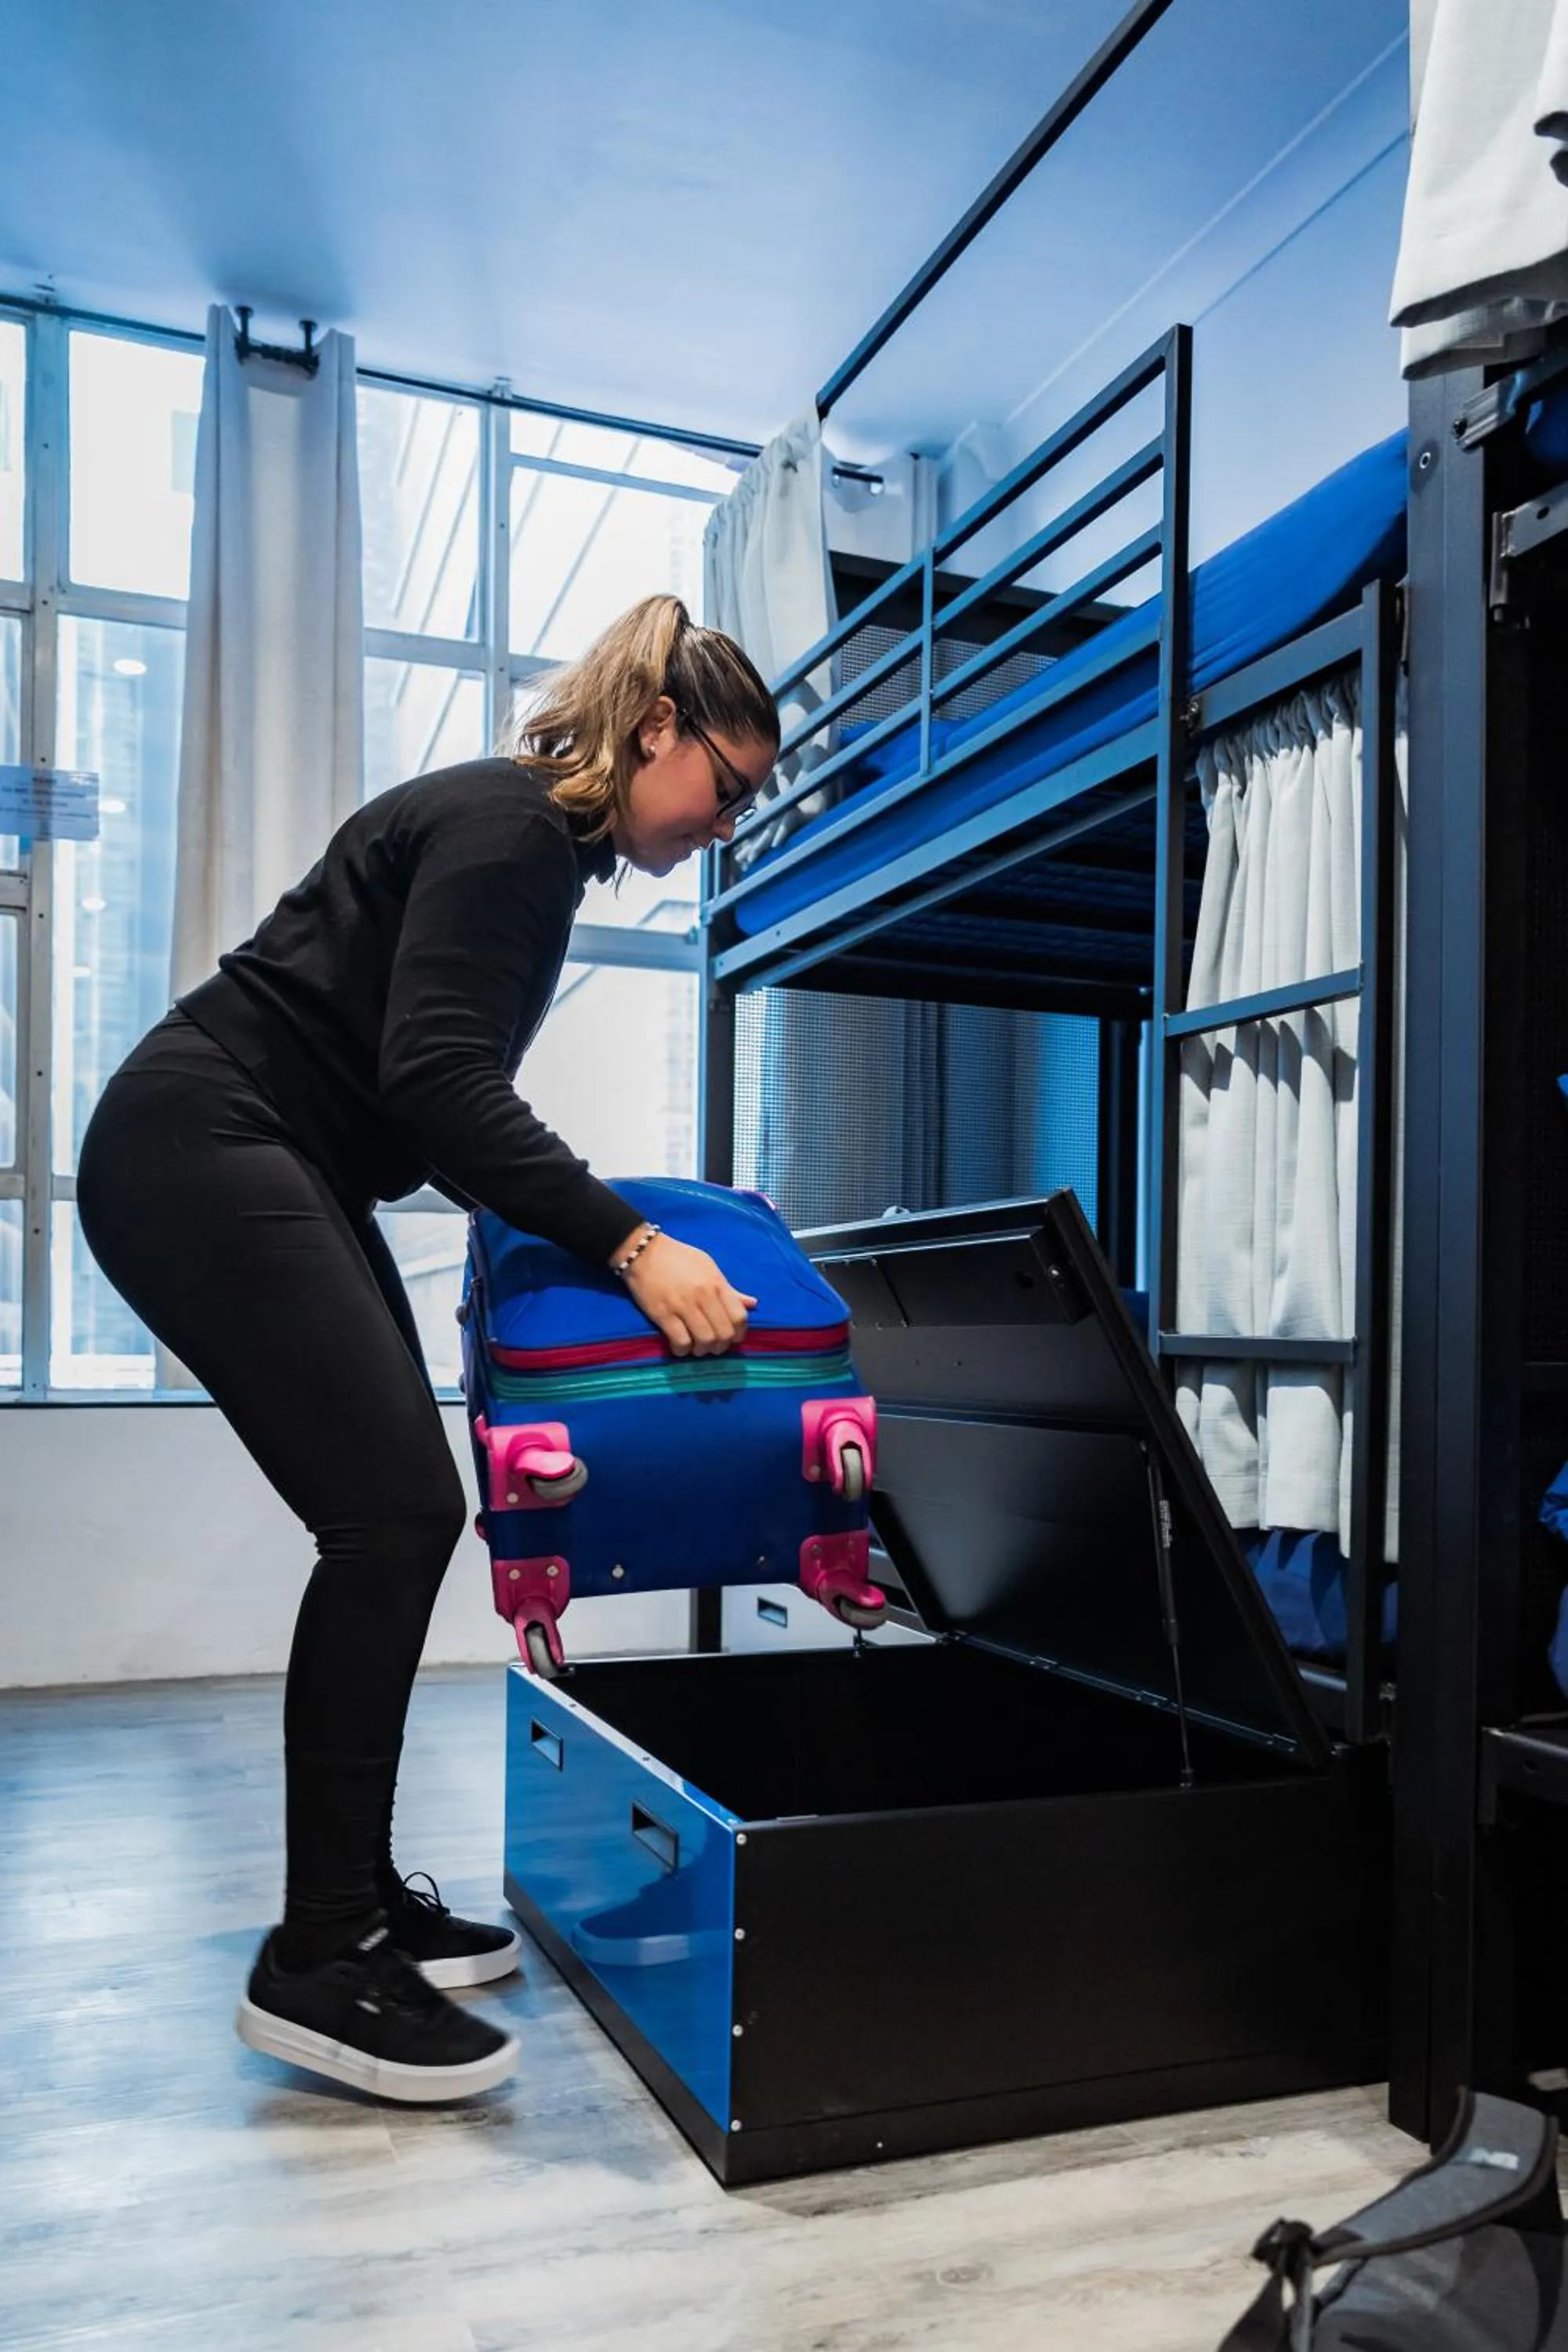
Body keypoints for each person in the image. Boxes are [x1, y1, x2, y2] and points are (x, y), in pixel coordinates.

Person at [77, 594, 779, 2104]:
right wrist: (633, 1245)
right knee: (391, 1515)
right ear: (656, 730)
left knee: (402, 1514)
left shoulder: (529, 844)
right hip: (203, 1140)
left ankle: (358, 1899)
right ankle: (320, 1959)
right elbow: (444, 1083)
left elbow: (419, 1098)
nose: (722, 824)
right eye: (725, 786)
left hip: (270, 1153)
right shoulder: (519, 830)